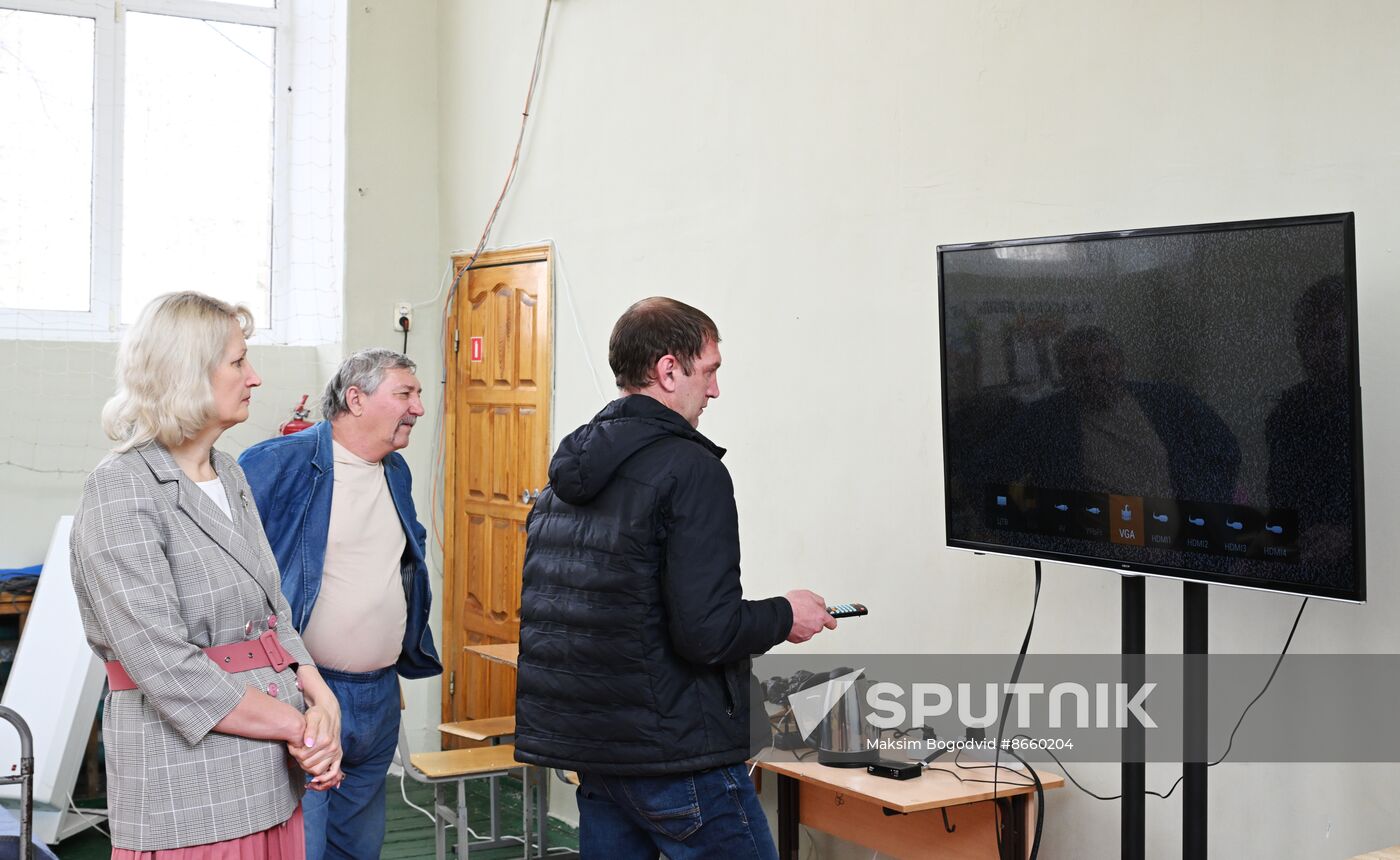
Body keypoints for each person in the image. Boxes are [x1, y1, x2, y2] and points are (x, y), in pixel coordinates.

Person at [514, 297, 836, 859]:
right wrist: (787, 614)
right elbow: (705, 632)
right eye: (709, 371)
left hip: (596, 758)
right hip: (677, 759)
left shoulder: (564, 481)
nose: (714, 390)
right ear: (668, 369)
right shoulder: (693, 470)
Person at [70, 291, 343, 857]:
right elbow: (164, 663)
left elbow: (275, 616)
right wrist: (299, 729)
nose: (256, 377)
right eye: (239, 361)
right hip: (188, 789)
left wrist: (322, 701)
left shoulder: (229, 471)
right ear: (188, 373)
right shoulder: (121, 487)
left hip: (272, 777)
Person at [238, 348, 442, 860]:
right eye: (405, 394)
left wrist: (387, 667)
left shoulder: (395, 471)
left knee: (359, 848)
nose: (419, 407)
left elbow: (391, 575)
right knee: (301, 846)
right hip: (304, 696)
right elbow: (233, 578)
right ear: (356, 398)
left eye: (417, 394)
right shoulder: (274, 464)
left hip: (377, 696)